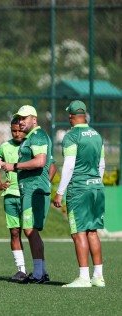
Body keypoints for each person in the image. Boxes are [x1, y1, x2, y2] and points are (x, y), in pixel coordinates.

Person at [0, 105, 53, 284]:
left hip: (33, 190)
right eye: (20, 119)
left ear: (34, 119)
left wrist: (13, 166)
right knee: (28, 230)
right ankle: (40, 272)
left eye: (25, 118)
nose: (22, 122)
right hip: (27, 190)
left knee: (30, 230)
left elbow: (41, 162)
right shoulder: (30, 138)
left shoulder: (38, 135)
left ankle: (39, 274)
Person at [53, 100, 106, 288]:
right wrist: (96, 181)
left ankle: (83, 277)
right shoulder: (97, 136)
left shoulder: (71, 136)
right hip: (97, 187)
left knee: (78, 233)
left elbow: (69, 165)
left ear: (71, 116)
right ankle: (98, 276)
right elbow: (101, 165)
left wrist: (60, 192)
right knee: (93, 231)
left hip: (79, 189)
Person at [0, 118, 28, 282]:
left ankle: (40, 270)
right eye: (14, 130)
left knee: (30, 232)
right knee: (14, 233)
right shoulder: (4, 147)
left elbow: (50, 164)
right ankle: (21, 270)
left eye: (20, 130)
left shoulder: (31, 145)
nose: (17, 133)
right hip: (10, 196)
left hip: (28, 195)